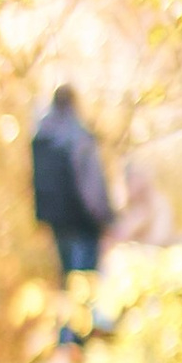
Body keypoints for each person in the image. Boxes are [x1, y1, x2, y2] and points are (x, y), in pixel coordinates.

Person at [29, 83, 115, 285]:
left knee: (68, 279)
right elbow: (90, 185)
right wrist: (105, 217)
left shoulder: (42, 135)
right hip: (83, 222)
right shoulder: (78, 136)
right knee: (86, 282)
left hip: (56, 221)